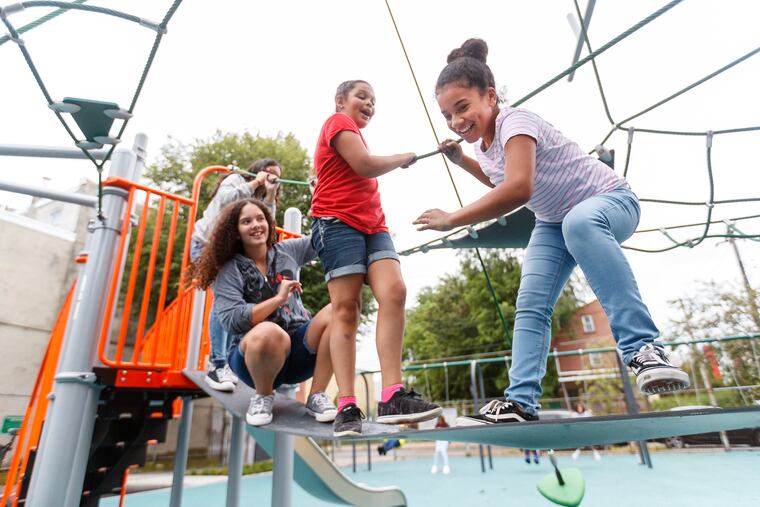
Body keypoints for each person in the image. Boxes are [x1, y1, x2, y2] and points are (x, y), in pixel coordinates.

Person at [414, 38, 690, 426]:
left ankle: (646, 349)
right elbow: (500, 181)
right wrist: (461, 160)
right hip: (553, 222)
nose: (457, 122)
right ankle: (521, 401)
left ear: (490, 97)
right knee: (531, 301)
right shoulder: (483, 147)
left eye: (463, 108)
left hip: (609, 200)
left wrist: (453, 218)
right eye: (447, 116)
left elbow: (518, 188)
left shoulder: (517, 122)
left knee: (580, 222)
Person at [310, 79, 442, 436]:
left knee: (394, 292)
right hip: (337, 224)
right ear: (341, 100)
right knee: (346, 309)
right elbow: (364, 165)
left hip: (373, 226)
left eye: (373, 100)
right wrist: (403, 158)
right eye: (362, 97)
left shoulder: (352, 130)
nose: (369, 104)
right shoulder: (336, 123)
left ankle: (392, 396)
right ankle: (347, 405)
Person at [188, 198, 337, 426]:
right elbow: (232, 320)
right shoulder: (229, 269)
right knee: (269, 330)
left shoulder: (287, 251)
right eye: (246, 221)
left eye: (260, 219)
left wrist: (321, 200)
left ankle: (317, 394)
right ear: (236, 232)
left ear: (268, 222)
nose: (256, 225)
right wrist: (278, 299)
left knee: (340, 310)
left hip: (299, 352)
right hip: (255, 359)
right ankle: (263, 395)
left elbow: (323, 239)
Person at [190, 159, 282, 391]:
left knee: (241, 302)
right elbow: (226, 202)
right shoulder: (237, 181)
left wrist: (269, 195)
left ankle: (228, 362)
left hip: (232, 253)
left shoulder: (258, 199)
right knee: (226, 300)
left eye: (276, 176)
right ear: (257, 171)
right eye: (268, 173)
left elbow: (267, 223)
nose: (272, 177)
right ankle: (217, 362)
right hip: (206, 244)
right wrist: (255, 183)